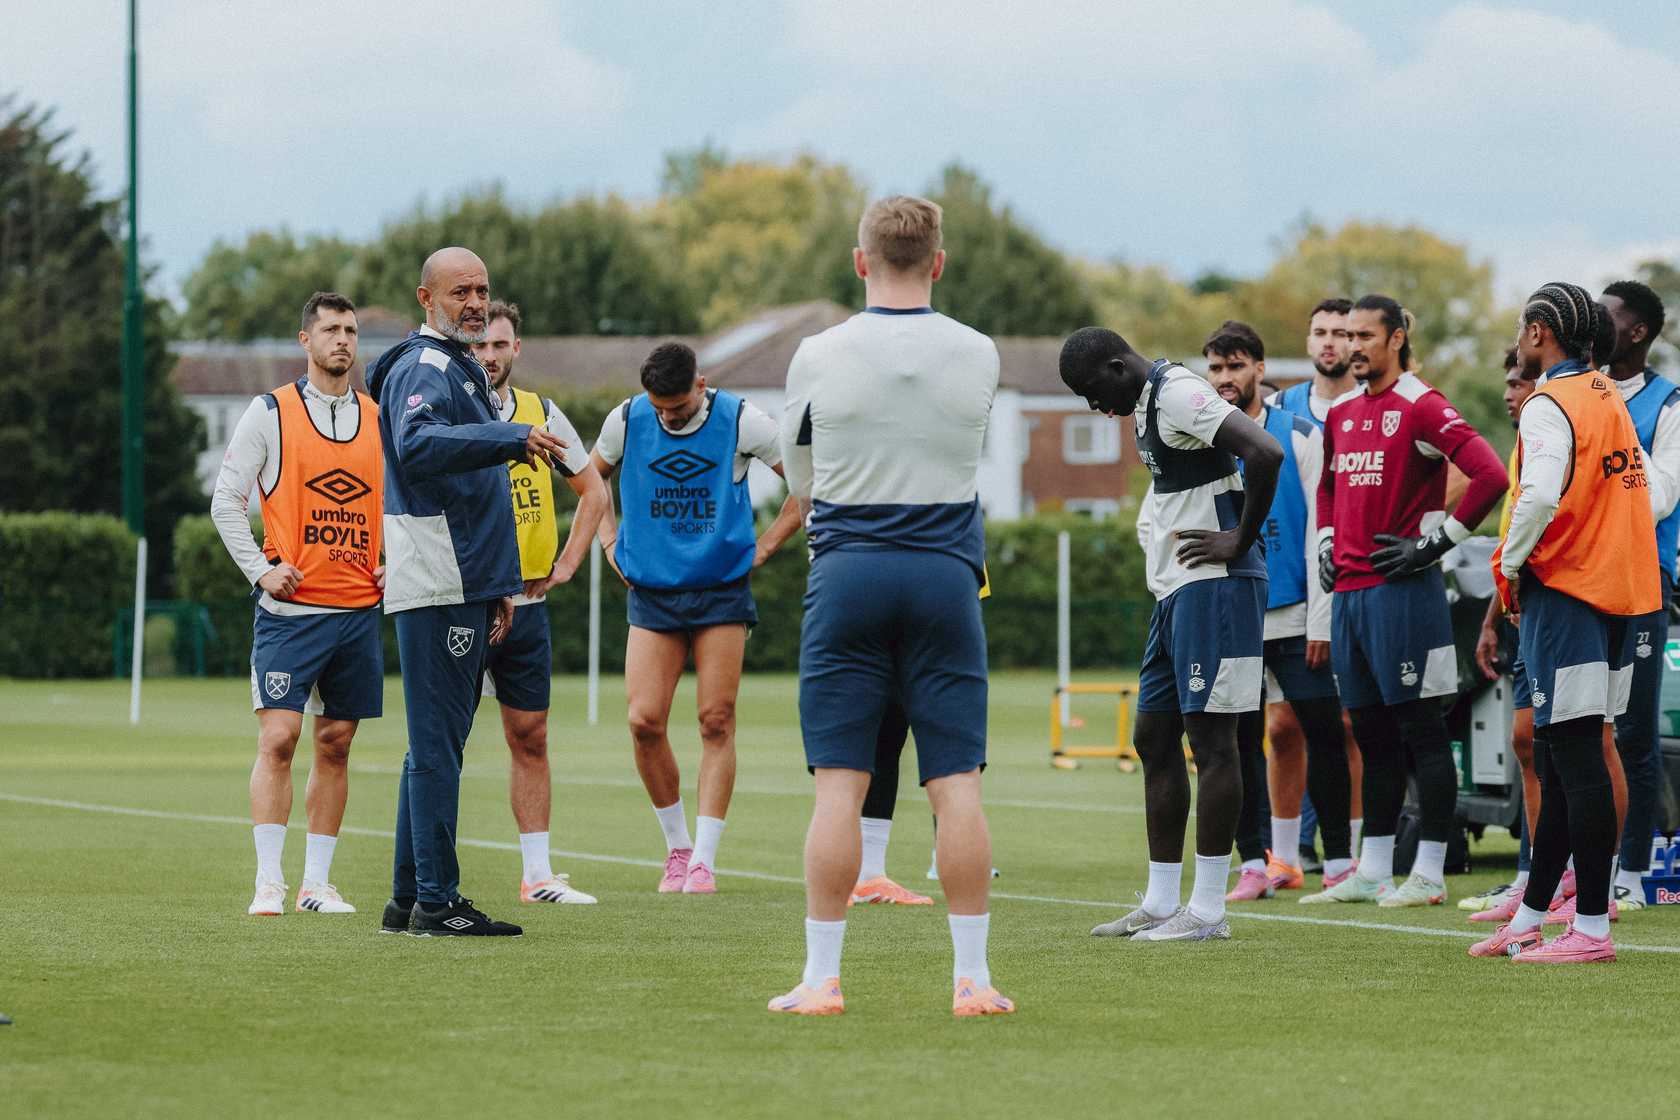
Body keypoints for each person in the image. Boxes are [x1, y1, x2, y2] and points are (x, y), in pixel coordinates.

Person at [770, 195, 1013, 1016]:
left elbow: (797, 475)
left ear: (859, 260)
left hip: (850, 568)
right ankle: (973, 980)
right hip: (946, 571)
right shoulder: (979, 352)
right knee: (957, 783)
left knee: (839, 786)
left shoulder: (817, 351)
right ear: (939, 262)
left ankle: (821, 978)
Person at [367, 247, 569, 937]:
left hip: (465, 577)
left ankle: (406, 899)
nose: (476, 302)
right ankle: (438, 902)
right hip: (438, 576)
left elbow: (468, 482)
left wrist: (499, 582)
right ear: (427, 297)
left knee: (434, 744)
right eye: (461, 292)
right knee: (435, 748)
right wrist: (512, 436)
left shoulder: (454, 364)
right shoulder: (426, 366)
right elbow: (420, 445)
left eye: (483, 289)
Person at [1073, 324, 1284, 943]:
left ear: (1117, 367)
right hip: (1177, 591)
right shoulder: (1146, 403)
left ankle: (1209, 911)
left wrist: (1239, 539)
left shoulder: (1176, 393)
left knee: (1214, 743)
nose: (1094, 408)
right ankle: (1163, 901)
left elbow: (1264, 452)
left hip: (1217, 586)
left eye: (1092, 392)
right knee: (1153, 736)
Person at [1470, 283, 1659, 963]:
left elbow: (1542, 494)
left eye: (1524, 326)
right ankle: (1529, 916)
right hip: (1619, 595)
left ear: (1541, 332)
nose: (1520, 337)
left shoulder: (1551, 403)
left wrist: (1512, 566)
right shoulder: (1607, 393)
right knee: (1561, 757)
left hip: (1570, 593)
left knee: (1575, 762)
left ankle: (1591, 931)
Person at [1301, 294, 1507, 907]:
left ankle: (1430, 875)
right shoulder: (1340, 411)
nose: (1351, 346)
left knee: (1421, 730)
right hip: (1353, 597)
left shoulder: (1422, 403)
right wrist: (1329, 539)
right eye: (1345, 335)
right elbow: (1331, 485)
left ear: (1396, 338)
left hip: (1408, 596)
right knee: (1368, 734)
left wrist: (1434, 544)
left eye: (1365, 335)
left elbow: (1491, 475)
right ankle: (1372, 871)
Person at [591, 342, 803, 894]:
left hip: (720, 594)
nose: (669, 416)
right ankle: (677, 849)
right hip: (654, 596)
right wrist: (609, 540)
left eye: (678, 407)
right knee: (643, 721)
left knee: (715, 719)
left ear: (701, 385)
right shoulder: (626, 420)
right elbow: (590, 482)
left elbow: (808, 485)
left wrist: (766, 546)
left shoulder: (742, 420)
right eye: (660, 407)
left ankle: (705, 860)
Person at [212, 292, 384, 917]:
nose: (343, 340)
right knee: (279, 739)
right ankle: (268, 882)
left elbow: (396, 505)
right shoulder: (270, 413)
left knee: (335, 743)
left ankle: (317, 884)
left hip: (358, 612)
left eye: (352, 331)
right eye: (332, 330)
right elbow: (225, 501)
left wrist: (395, 556)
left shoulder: (378, 416)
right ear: (305, 340)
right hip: (290, 615)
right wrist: (261, 571)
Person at [1198, 323, 1352, 903]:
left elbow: (1322, 529)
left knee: (1325, 735)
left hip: (1293, 618)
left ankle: (1337, 861)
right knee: (1237, 745)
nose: (1225, 379)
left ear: (1259, 370)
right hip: (1232, 621)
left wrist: (1320, 620)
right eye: (1215, 368)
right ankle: (1258, 864)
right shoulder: (1199, 439)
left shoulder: (1300, 434)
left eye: (1235, 366)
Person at [470, 300, 611, 905]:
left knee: (530, 736)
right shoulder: (451, 412)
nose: (489, 357)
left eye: (499, 346)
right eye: (479, 346)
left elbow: (594, 489)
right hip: (465, 603)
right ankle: (428, 878)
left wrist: (569, 563)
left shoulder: (541, 414)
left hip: (527, 607)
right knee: (442, 738)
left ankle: (537, 876)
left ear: (516, 350)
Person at [1271, 297, 1364, 875]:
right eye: (1320, 332)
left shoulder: (1377, 403)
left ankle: (1349, 852)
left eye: (1340, 333)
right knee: (1283, 726)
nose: (1329, 342)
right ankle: (1288, 850)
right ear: (1307, 342)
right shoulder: (1279, 408)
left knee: (1348, 724)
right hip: (1298, 588)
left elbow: (1451, 476)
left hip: (1360, 581)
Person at [1599, 280, 1677, 913]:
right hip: (1585, 579)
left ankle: (1630, 867)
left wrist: (1618, 421)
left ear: (1639, 332)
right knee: (1578, 726)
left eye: (1608, 316)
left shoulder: (1669, 405)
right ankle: (1578, 864)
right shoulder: (1574, 395)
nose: (1595, 324)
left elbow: (1660, 500)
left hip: (1645, 577)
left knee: (1634, 730)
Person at [1466, 349, 1542, 917]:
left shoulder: (1556, 438)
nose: (1509, 393)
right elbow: (1507, 545)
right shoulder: (1521, 448)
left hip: (1559, 609)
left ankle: (1604, 879)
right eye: (1509, 384)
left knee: (1569, 746)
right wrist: (1492, 619)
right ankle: (1532, 873)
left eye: (1520, 383)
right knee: (1525, 742)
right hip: (1520, 612)